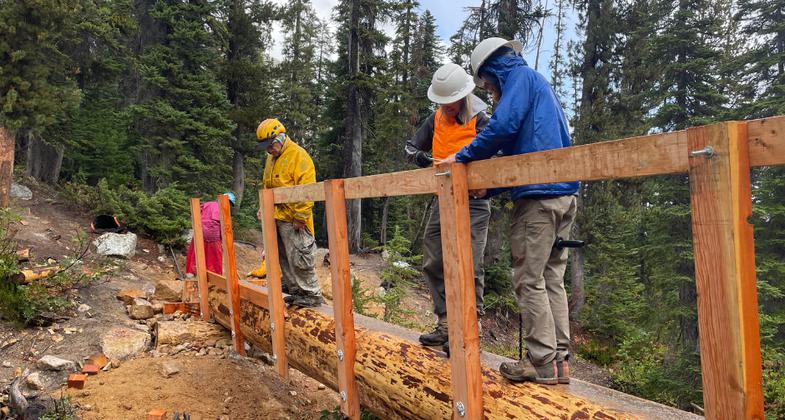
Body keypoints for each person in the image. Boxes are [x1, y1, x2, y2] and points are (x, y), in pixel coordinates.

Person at [441, 38, 579, 385]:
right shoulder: (538, 87)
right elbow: (527, 151)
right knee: (551, 279)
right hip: (562, 195)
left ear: (493, 70)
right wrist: (495, 186)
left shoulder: (520, 80)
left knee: (528, 279)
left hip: (539, 200)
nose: (488, 91)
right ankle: (559, 363)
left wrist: (462, 157)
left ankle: (541, 362)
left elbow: (502, 128)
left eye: (487, 83)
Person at [405, 62, 491, 353]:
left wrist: (486, 180)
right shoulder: (435, 119)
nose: (446, 108)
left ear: (463, 95)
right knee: (433, 256)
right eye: (441, 103)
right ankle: (445, 323)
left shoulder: (482, 119)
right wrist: (422, 159)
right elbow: (411, 147)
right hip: (443, 196)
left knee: (470, 262)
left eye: (450, 103)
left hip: (475, 201)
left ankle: (469, 328)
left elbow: (500, 153)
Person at [255, 118, 323, 308]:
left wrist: (300, 217)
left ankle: (311, 294)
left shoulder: (299, 156)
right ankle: (295, 291)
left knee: (300, 257)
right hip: (278, 217)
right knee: (284, 257)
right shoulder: (271, 159)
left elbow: (307, 189)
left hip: (294, 220)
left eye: (270, 146)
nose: (268, 150)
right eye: (266, 147)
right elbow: (267, 186)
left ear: (281, 137)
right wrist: (264, 207)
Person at [185, 192, 236, 277]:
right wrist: (223, 241)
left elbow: (195, 213)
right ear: (228, 202)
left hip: (200, 233)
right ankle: (214, 276)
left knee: (196, 254)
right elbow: (224, 229)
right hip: (213, 237)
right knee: (214, 259)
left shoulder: (208, 204)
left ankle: (192, 274)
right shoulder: (224, 211)